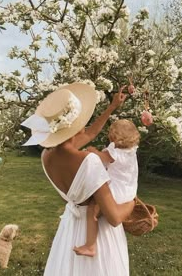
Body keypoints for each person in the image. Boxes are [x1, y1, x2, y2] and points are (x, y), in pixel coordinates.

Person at [21, 83, 135, 276]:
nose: (86, 123)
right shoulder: (89, 161)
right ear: (75, 126)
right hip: (99, 236)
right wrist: (131, 203)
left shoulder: (47, 156)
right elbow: (114, 217)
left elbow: (90, 133)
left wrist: (112, 107)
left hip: (71, 230)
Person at [74, 119, 140, 257]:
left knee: (92, 208)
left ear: (114, 136)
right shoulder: (131, 151)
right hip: (129, 190)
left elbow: (103, 158)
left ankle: (90, 246)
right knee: (99, 208)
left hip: (116, 190)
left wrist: (93, 151)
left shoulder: (114, 152)